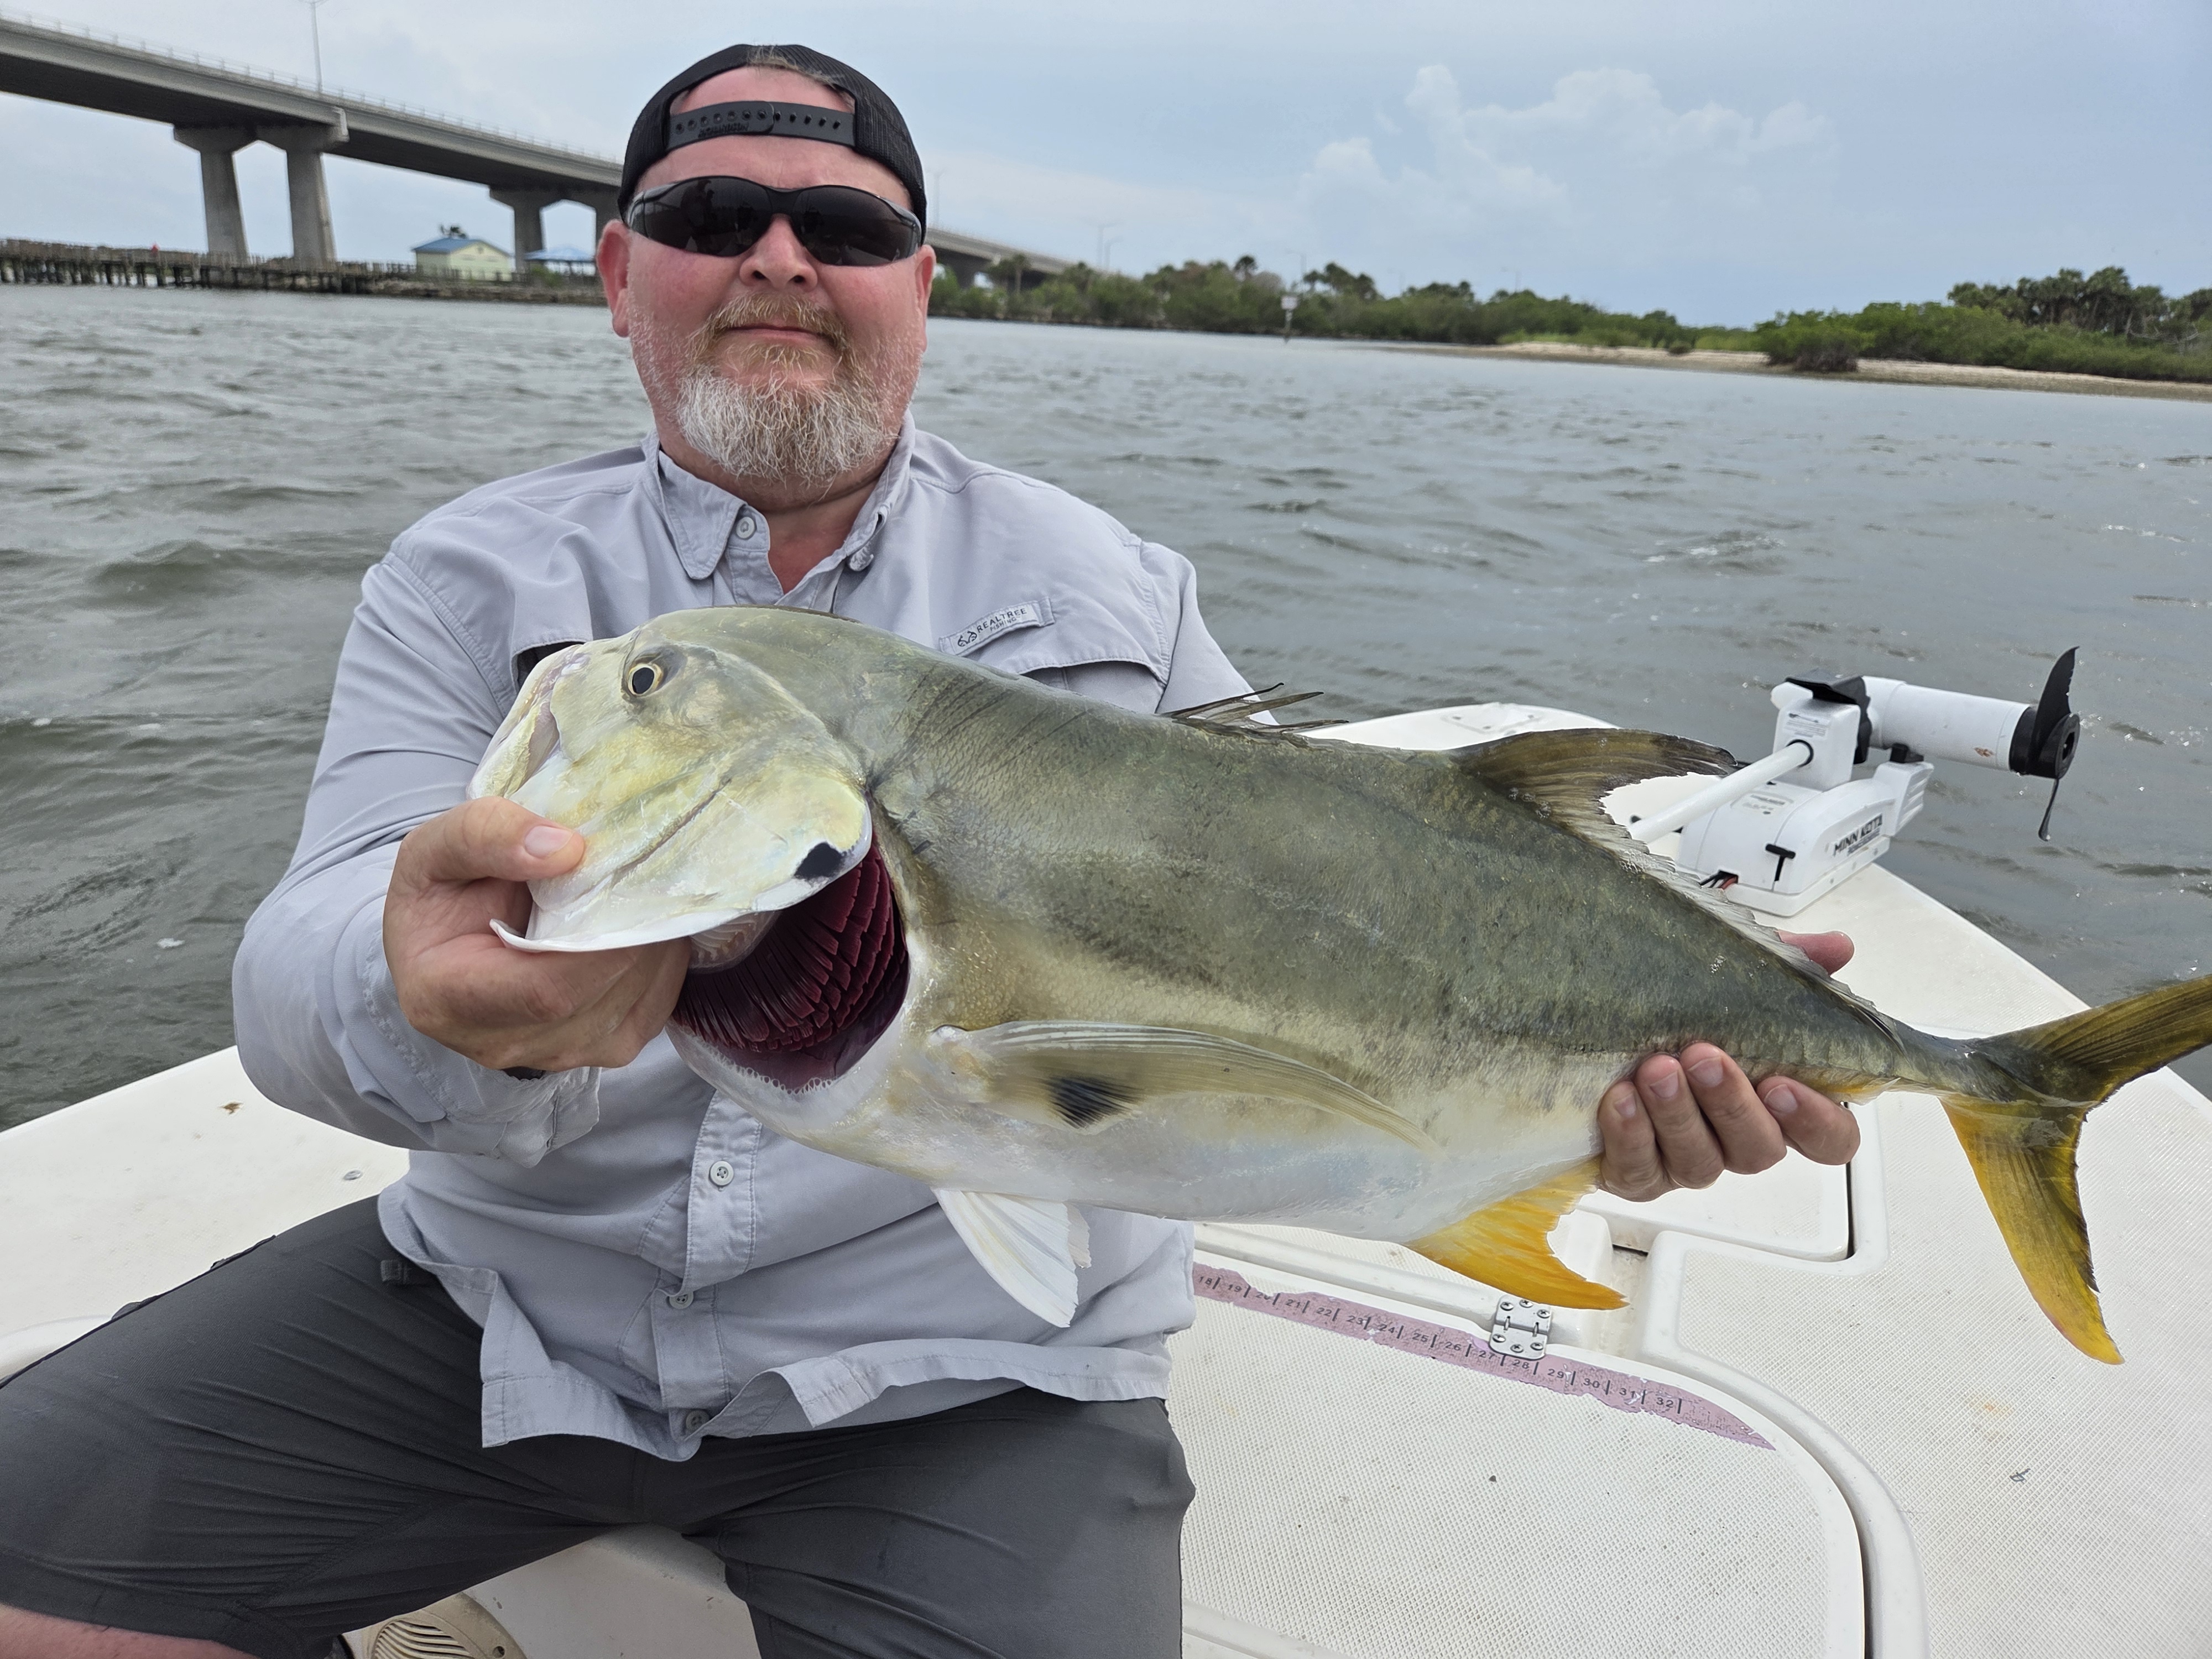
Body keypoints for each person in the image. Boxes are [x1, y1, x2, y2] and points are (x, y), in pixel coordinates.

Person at [0, 43, 1860, 1659]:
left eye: (851, 227)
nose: (783, 259)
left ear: (920, 284)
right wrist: (418, 989)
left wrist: (1607, 1060)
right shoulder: (473, 585)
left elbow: (1331, 920)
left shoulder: (1121, 597)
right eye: (716, 212)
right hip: (503, 1302)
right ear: (617, 272)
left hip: (970, 1369)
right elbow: (303, 966)